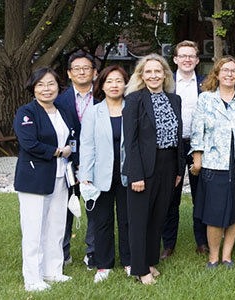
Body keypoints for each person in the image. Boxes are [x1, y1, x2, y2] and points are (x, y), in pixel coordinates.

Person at [190, 56, 235, 268]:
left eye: (233, 71)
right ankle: (213, 256)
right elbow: (197, 131)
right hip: (214, 164)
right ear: (217, 74)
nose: (229, 74)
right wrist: (197, 160)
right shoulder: (206, 99)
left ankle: (227, 255)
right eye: (225, 70)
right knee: (214, 213)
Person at [123, 54, 185, 285]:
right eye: (148, 71)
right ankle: (139, 269)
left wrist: (179, 170)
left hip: (168, 165)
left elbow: (178, 137)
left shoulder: (174, 99)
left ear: (165, 74)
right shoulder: (134, 100)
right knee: (140, 219)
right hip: (143, 166)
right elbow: (131, 141)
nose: (153, 75)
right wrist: (136, 174)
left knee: (158, 218)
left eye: (158, 71)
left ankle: (150, 261)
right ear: (141, 75)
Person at [14, 67, 77, 292]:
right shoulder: (27, 112)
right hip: (35, 178)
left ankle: (53, 270)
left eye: (50, 84)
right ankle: (32, 278)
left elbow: (73, 136)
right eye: (40, 85)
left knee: (56, 226)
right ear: (33, 88)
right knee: (34, 229)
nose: (46, 89)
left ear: (58, 87)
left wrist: (72, 155)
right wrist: (59, 152)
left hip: (61, 177)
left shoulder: (63, 110)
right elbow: (29, 143)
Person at [77, 66, 132, 282]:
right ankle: (104, 264)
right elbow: (87, 145)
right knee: (102, 221)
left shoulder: (133, 108)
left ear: (125, 84)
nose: (114, 85)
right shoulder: (93, 111)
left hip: (128, 174)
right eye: (109, 81)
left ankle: (129, 262)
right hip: (100, 175)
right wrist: (85, 175)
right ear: (102, 85)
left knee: (128, 220)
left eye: (119, 81)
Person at [162, 40, 207, 258]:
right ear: (176, 59)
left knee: (202, 195)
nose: (187, 59)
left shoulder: (206, 84)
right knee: (171, 196)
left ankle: (203, 242)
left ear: (197, 61)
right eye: (183, 56)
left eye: (192, 56)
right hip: (173, 146)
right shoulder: (166, 83)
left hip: (200, 145)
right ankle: (168, 244)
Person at [56, 51, 98, 269]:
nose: (82, 72)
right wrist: (77, 158)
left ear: (95, 72)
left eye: (87, 68)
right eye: (77, 68)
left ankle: (93, 254)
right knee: (65, 210)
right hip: (68, 165)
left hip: (98, 165)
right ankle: (62, 254)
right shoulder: (58, 101)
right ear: (69, 73)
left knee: (95, 210)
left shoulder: (103, 97)